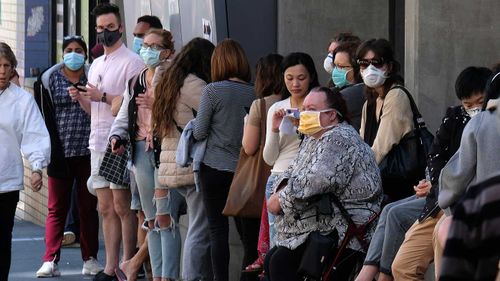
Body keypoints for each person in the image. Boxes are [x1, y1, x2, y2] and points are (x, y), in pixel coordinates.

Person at [355, 66, 492, 281]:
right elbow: (435, 156)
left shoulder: (493, 121)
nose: (474, 108)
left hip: (472, 208)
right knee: (403, 266)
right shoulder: (454, 117)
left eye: (479, 102)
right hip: (440, 201)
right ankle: (378, 273)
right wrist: (436, 185)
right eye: (468, 105)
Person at [265, 87, 382, 281]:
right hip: (321, 220)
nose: (303, 114)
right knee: (273, 259)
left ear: (331, 116)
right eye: (303, 108)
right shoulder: (314, 137)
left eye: (310, 108)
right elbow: (291, 172)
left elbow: (316, 180)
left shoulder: (339, 137)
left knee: (280, 262)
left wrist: (280, 200)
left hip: (344, 226)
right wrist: (278, 194)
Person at [70, 4, 144, 281]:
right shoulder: (97, 63)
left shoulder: (132, 61)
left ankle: (126, 264)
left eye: (110, 28)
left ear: (120, 28)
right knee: (104, 206)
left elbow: (130, 105)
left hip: (119, 141)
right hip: (96, 141)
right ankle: (110, 265)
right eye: (100, 29)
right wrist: (83, 100)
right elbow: (95, 110)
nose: (104, 34)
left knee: (122, 205)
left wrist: (101, 96)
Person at [109, 28, 176, 281]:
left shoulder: (172, 79)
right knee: (150, 220)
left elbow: (179, 115)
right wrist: (116, 137)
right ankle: (156, 275)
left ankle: (167, 275)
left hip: (164, 150)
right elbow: (124, 115)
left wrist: (156, 104)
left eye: (154, 47)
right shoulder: (135, 81)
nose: (146, 50)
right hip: (139, 149)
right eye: (144, 45)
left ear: (167, 52)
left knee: (164, 216)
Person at [33, 35, 102, 277]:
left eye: (79, 50)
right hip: (60, 154)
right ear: (63, 54)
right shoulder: (49, 79)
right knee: (56, 208)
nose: (74, 54)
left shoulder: (93, 76)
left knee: (87, 207)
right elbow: (42, 116)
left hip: (88, 152)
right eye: (70, 50)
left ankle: (90, 258)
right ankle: (50, 259)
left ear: (85, 54)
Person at [250, 52, 320, 273]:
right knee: (277, 241)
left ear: (311, 77)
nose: (295, 84)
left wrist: (306, 124)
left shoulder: (318, 106)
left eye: (301, 77)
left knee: (306, 242)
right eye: (289, 78)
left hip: (310, 179)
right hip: (279, 177)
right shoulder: (276, 107)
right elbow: (269, 158)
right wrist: (274, 127)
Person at [192, 38, 255, 281]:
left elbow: (199, 132)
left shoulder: (212, 90)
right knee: (247, 235)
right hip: (243, 172)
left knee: (218, 231)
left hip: (213, 168)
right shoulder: (253, 92)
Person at [153, 37, 215, 281]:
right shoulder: (194, 85)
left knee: (195, 227)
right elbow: (212, 116)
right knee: (200, 229)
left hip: (173, 163)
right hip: (191, 164)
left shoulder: (169, 81)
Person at [436, 69, 500, 280]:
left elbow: (454, 179)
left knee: (444, 229)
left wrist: (449, 206)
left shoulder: (482, 122)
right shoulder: (459, 119)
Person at [0, 42, 51, 280]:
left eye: (6, 65)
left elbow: (35, 135)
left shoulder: (22, 100)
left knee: (2, 239)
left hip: (6, 181)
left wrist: (37, 167)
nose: (2, 70)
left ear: (12, 69)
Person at [358, 38, 417, 203]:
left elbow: (380, 148)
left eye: (377, 63)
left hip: (399, 187)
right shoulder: (369, 103)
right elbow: (362, 144)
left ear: (390, 67)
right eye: (364, 63)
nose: (370, 69)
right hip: (379, 183)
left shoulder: (396, 95)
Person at [241, 54, 284, 276]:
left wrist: (247, 121)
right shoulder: (293, 105)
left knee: (257, 245)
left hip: (265, 181)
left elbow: (249, 147)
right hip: (286, 181)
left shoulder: (260, 105)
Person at [330, 41, 365, 132]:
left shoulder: (350, 94)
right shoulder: (338, 90)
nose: (336, 70)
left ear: (357, 69)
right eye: (335, 66)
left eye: (341, 67)